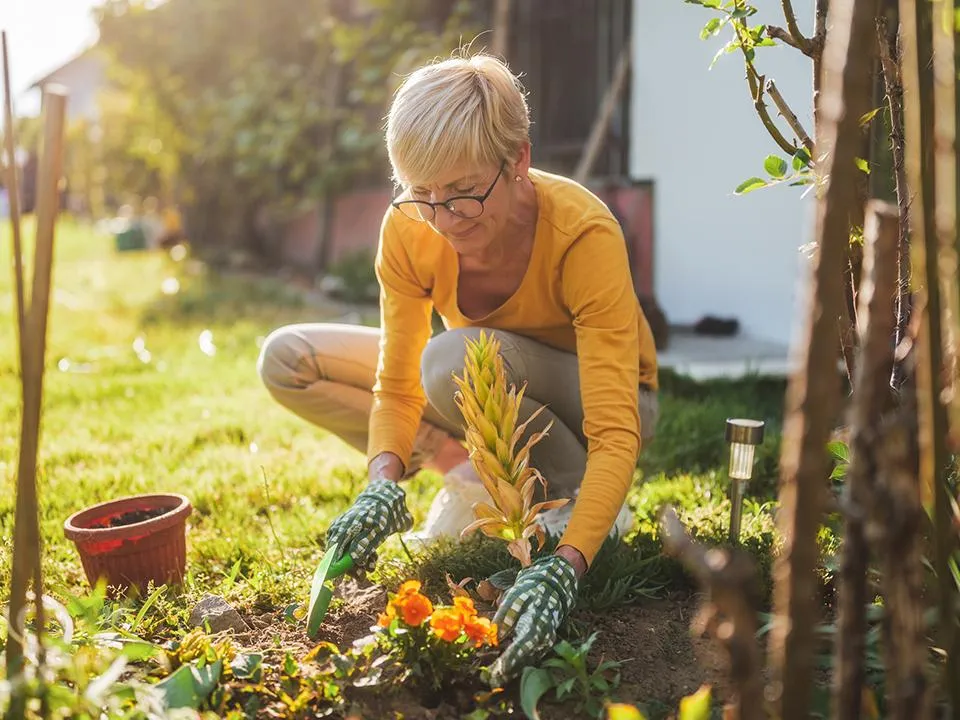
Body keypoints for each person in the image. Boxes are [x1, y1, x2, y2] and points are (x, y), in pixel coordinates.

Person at [257, 51, 659, 686]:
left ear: (519, 159)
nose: (443, 220)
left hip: (600, 406)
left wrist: (568, 566)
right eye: (423, 195)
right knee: (287, 356)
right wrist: (381, 480)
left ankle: (569, 499)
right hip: (483, 383)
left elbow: (617, 426)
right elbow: (396, 380)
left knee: (451, 358)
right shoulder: (410, 226)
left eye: (464, 194)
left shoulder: (584, 233)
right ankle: (465, 467)